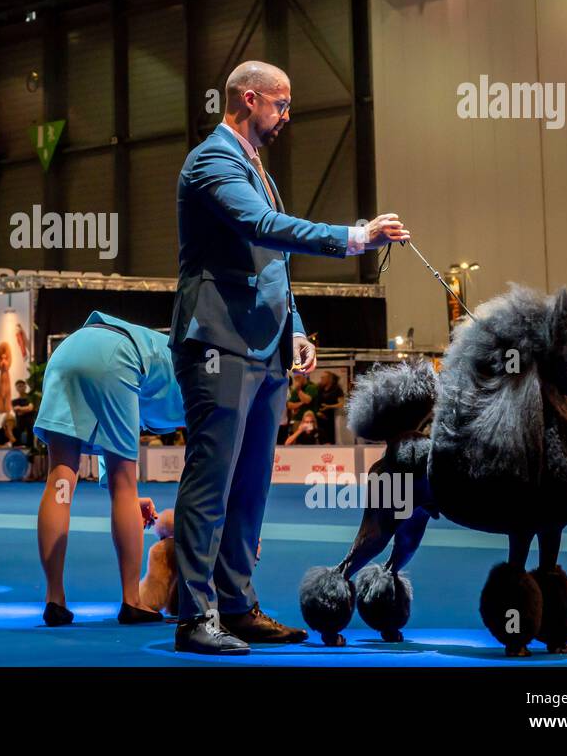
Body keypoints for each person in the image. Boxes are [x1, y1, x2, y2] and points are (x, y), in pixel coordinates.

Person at [169, 59, 409, 655]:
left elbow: (271, 260)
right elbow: (262, 227)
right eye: (280, 105)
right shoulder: (211, 162)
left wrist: (296, 328)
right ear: (248, 100)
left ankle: (237, 605)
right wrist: (355, 237)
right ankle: (194, 616)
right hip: (219, 345)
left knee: (249, 487)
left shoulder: (254, 168)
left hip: (264, 349)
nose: (286, 116)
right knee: (211, 482)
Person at [35, 312, 178, 626]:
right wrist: (122, 494)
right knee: (125, 485)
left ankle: (54, 599)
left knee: (60, 477)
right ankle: (132, 600)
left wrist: (116, 490)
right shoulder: (188, 374)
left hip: (67, 351)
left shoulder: (162, 349)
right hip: (117, 356)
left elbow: (114, 415)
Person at [314, 371, 345, 445]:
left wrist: (329, 407)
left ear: (329, 379)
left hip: (332, 418)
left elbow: (341, 404)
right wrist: (317, 412)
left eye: (323, 378)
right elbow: (315, 402)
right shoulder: (319, 388)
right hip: (320, 418)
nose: (321, 379)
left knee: (331, 439)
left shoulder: (337, 389)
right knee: (321, 438)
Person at [7, 379, 37, 446]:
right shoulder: (14, 401)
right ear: (16, 388)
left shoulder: (30, 398)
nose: (21, 388)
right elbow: (17, 411)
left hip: (30, 424)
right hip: (19, 424)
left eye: (22, 386)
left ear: (25, 387)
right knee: (18, 442)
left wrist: (20, 408)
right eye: (19, 386)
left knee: (30, 443)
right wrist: (25, 409)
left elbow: (30, 408)